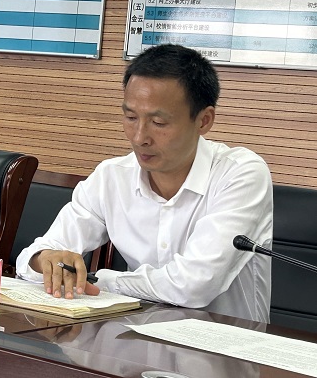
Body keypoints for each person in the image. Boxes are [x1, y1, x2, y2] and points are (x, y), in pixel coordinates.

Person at [16, 44, 273, 322]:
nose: (139, 137)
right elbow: (33, 258)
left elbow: (194, 285)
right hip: (135, 337)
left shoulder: (241, 174)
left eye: (158, 122)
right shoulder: (112, 176)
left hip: (224, 343)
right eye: (130, 117)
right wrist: (46, 259)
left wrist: (99, 280)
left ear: (204, 120)